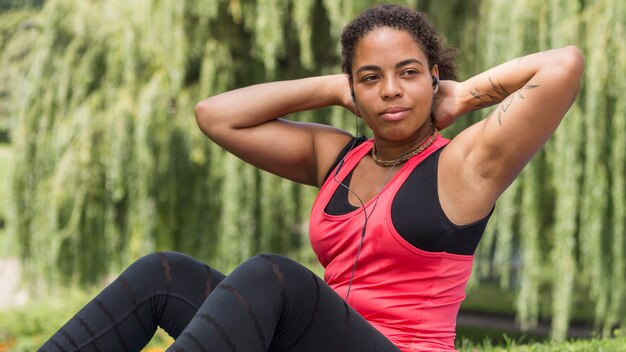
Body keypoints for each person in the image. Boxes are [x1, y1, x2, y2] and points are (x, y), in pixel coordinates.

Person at [40, 4, 583, 352]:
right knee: (163, 272)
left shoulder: (465, 165)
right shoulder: (336, 156)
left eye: (409, 72)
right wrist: (330, 84)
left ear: (434, 77)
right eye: (371, 78)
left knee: (274, 275)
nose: (391, 90)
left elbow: (563, 65)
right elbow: (215, 114)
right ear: (354, 92)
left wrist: (465, 94)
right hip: (320, 342)